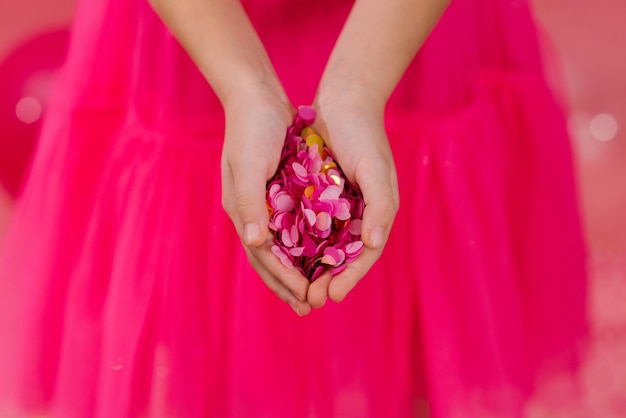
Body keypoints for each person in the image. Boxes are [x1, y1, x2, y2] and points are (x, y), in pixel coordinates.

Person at [0, 0, 587, 416]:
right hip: (199, 24)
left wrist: (359, 84)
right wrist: (243, 84)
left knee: (425, 324)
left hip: (405, 21)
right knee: (194, 337)